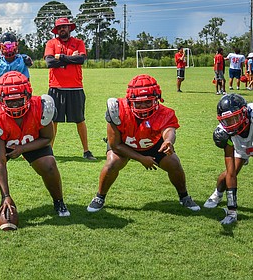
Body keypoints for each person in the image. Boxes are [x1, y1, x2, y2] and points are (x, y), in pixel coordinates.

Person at [0, 71, 70, 218]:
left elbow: (47, 138)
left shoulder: (41, 108)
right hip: (4, 140)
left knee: (49, 165)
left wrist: (23, 148)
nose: (15, 105)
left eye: (19, 100)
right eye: (10, 101)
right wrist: (5, 196)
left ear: (29, 95)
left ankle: (59, 202)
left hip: (32, 140)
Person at [87, 74, 200, 213]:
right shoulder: (117, 109)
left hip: (153, 144)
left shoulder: (165, 113)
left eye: (148, 101)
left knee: (174, 163)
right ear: (130, 101)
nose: (143, 106)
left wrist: (169, 141)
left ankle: (184, 196)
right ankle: (100, 197)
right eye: (139, 102)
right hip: (124, 144)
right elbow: (115, 145)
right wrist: (141, 159)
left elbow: (169, 130)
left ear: (157, 99)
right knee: (111, 164)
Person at [44, 17, 96, 160]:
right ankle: (49, 151)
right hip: (56, 88)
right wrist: (69, 59)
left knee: (80, 120)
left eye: (65, 27)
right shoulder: (51, 43)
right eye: (60, 27)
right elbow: (49, 62)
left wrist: (60, 58)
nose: (62, 29)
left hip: (75, 88)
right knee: (53, 120)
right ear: (56, 30)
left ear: (69, 28)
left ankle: (86, 151)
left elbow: (81, 59)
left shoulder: (78, 42)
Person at [204, 93, 253, 224]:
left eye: (235, 118)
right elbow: (231, 174)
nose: (232, 124)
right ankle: (217, 194)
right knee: (231, 172)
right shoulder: (224, 133)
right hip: (240, 147)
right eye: (228, 120)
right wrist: (232, 211)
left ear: (244, 112)